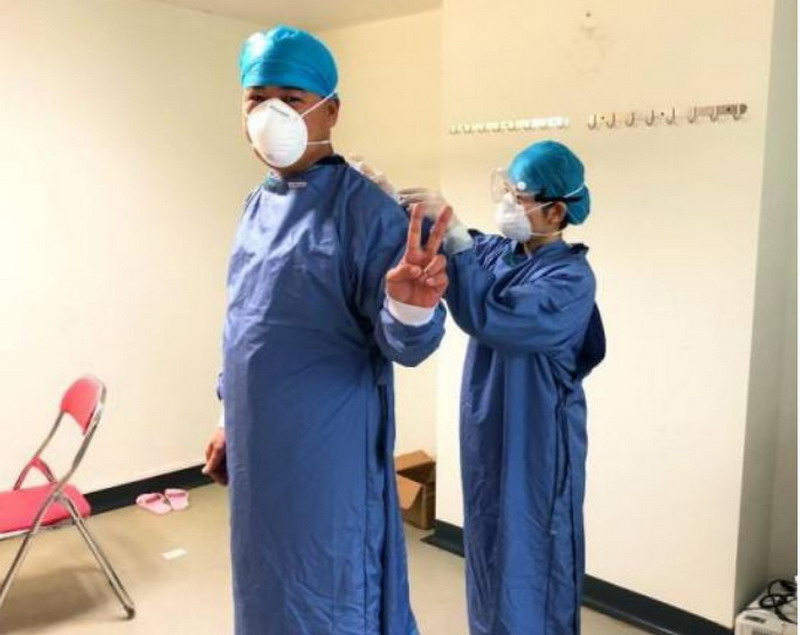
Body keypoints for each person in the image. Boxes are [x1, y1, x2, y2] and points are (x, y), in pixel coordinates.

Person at [201, 25, 451, 635]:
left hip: (327, 456)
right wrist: (230, 417)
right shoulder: (256, 203)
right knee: (263, 588)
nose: (272, 114)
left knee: (330, 594)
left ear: (330, 110)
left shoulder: (364, 211)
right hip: (258, 450)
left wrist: (411, 308)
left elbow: (406, 343)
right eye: (258, 99)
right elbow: (245, 327)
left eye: (291, 98)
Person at [400, 140, 606, 634]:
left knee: (534, 562)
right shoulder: (500, 252)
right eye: (508, 192)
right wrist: (390, 201)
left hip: (537, 448)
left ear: (556, 211)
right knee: (489, 550)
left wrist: (455, 242)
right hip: (489, 438)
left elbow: (492, 314)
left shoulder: (569, 280)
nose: (510, 204)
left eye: (521, 196)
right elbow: (454, 246)